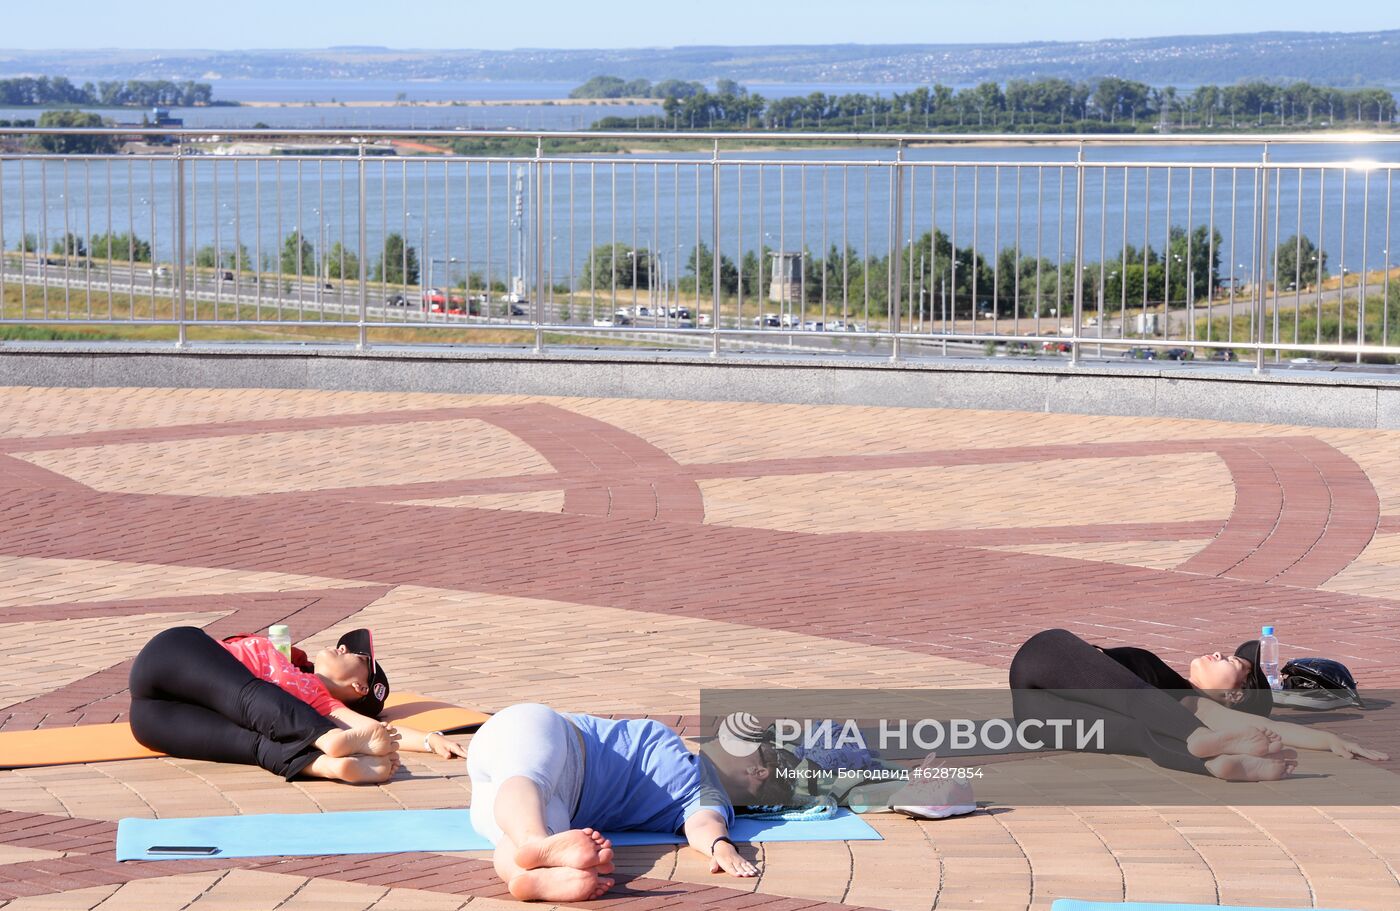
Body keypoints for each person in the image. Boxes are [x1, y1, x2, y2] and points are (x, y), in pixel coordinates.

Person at [467, 702, 796, 903]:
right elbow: (702, 821)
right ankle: (536, 847)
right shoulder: (694, 781)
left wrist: (721, 846)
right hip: (548, 736)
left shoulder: (705, 792)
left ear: (758, 771)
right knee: (529, 778)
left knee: (521, 825)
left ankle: (526, 877)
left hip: (550, 801)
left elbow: (705, 823)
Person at [1009, 628, 1387, 781]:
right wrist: (1330, 741)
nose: (1221, 653)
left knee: (1143, 722)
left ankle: (1212, 755)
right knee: (1146, 732)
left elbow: (1259, 726)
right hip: (1052, 715)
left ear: (1234, 695)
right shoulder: (1186, 704)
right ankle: (1209, 762)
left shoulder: (1186, 697)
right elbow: (1264, 729)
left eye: (1233, 663)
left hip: (1041, 704)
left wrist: (1327, 740)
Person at [128, 626, 467, 784]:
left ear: (359, 685)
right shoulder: (291, 666)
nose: (343, 649)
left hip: (155, 716)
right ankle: (326, 742)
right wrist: (430, 738)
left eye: (355, 655)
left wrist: (427, 740)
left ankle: (326, 766)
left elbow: (377, 731)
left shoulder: (322, 702)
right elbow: (374, 733)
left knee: (254, 746)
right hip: (173, 655)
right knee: (247, 696)